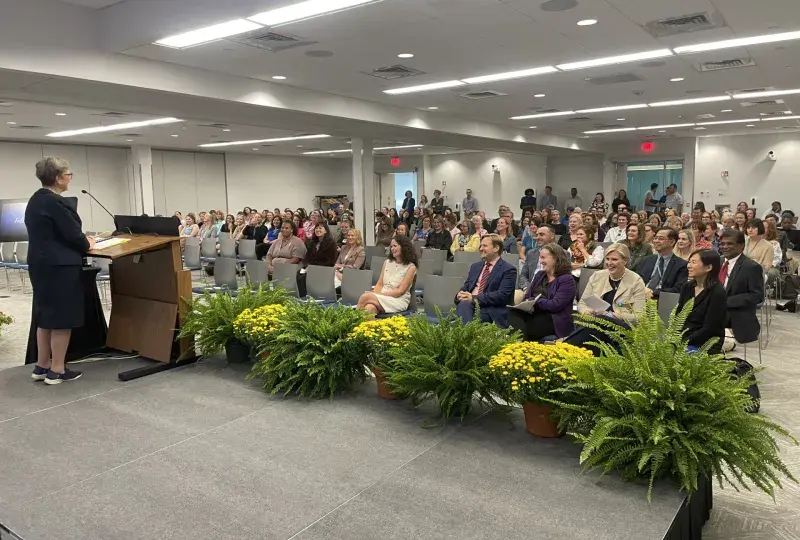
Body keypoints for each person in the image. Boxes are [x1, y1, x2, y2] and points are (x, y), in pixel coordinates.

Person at [26, 158, 96, 384]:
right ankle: (57, 370)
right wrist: (89, 243)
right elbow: (74, 235)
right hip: (61, 266)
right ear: (57, 178)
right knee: (63, 317)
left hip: (40, 264)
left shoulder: (35, 200)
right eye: (68, 175)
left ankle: (42, 365)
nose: (69, 179)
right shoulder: (56, 203)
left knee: (45, 316)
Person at [565, 243, 647, 354]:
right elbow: (582, 304)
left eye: (614, 259)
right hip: (596, 325)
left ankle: (564, 345)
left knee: (602, 319)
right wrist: (587, 312)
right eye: (607, 259)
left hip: (622, 330)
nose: (609, 263)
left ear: (625, 261)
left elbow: (640, 317)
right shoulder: (597, 276)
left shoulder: (636, 280)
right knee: (597, 323)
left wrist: (612, 315)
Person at [508, 244, 576, 341]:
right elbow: (527, 297)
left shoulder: (567, 280)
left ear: (556, 258)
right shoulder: (540, 275)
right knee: (513, 313)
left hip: (553, 319)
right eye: (540, 258)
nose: (540, 261)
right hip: (533, 313)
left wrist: (535, 301)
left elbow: (555, 305)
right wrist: (527, 303)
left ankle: (519, 348)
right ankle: (518, 347)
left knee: (524, 327)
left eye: (543, 258)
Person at [455, 234, 517, 327]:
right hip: (469, 306)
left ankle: (466, 334)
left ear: (496, 248)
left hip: (490, 310)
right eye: (480, 245)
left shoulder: (508, 270)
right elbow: (466, 287)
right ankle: (468, 334)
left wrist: (474, 298)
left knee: (463, 312)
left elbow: (502, 295)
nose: (480, 248)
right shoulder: (475, 267)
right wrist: (459, 295)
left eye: (484, 246)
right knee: (464, 304)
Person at [677, 250, 727, 355]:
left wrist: (683, 341)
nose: (688, 266)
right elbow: (679, 316)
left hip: (705, 342)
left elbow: (710, 328)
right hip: (684, 337)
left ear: (708, 267)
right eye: (689, 262)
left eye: (693, 262)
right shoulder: (687, 287)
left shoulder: (717, 292)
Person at [719, 230, 764, 345]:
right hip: (713, 313)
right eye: (722, 244)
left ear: (741, 245)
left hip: (735, 316)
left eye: (730, 244)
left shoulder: (751, 267)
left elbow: (757, 296)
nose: (725, 247)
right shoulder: (717, 261)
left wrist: (725, 302)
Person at [357, 235, 418, 315]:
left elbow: (400, 291)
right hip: (382, 296)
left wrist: (378, 295)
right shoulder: (387, 262)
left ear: (404, 247)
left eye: (395, 246)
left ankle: (353, 324)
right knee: (369, 308)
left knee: (365, 297)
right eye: (391, 246)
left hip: (398, 300)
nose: (392, 249)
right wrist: (376, 294)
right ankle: (372, 327)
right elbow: (380, 284)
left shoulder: (411, 267)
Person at [636, 228, 689, 299]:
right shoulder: (646, 260)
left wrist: (652, 292)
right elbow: (636, 280)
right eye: (655, 238)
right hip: (640, 297)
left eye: (661, 239)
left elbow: (678, 289)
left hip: (663, 300)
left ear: (672, 242)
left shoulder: (681, 265)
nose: (656, 241)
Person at [516, 224, 553, 301]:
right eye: (537, 235)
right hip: (529, 289)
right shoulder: (531, 253)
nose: (538, 238)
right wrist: (527, 288)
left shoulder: (562, 254)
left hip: (549, 291)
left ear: (552, 236)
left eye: (541, 235)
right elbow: (523, 275)